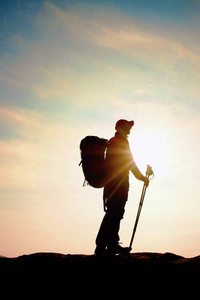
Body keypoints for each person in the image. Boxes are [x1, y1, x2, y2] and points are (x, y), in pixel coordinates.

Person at [95, 119, 149, 255]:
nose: (130, 128)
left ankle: (102, 245)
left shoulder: (113, 141)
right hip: (118, 185)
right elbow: (129, 162)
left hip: (111, 184)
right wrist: (142, 177)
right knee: (116, 213)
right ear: (121, 127)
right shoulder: (121, 141)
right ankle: (111, 245)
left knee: (111, 213)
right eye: (127, 126)